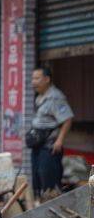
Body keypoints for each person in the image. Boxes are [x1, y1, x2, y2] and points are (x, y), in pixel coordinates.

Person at [30, 66, 74, 198]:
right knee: (37, 180)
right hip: (38, 145)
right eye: (33, 78)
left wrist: (59, 141)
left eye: (37, 78)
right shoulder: (40, 97)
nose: (33, 82)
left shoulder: (55, 97)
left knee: (49, 183)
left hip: (50, 148)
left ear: (47, 79)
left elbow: (67, 119)